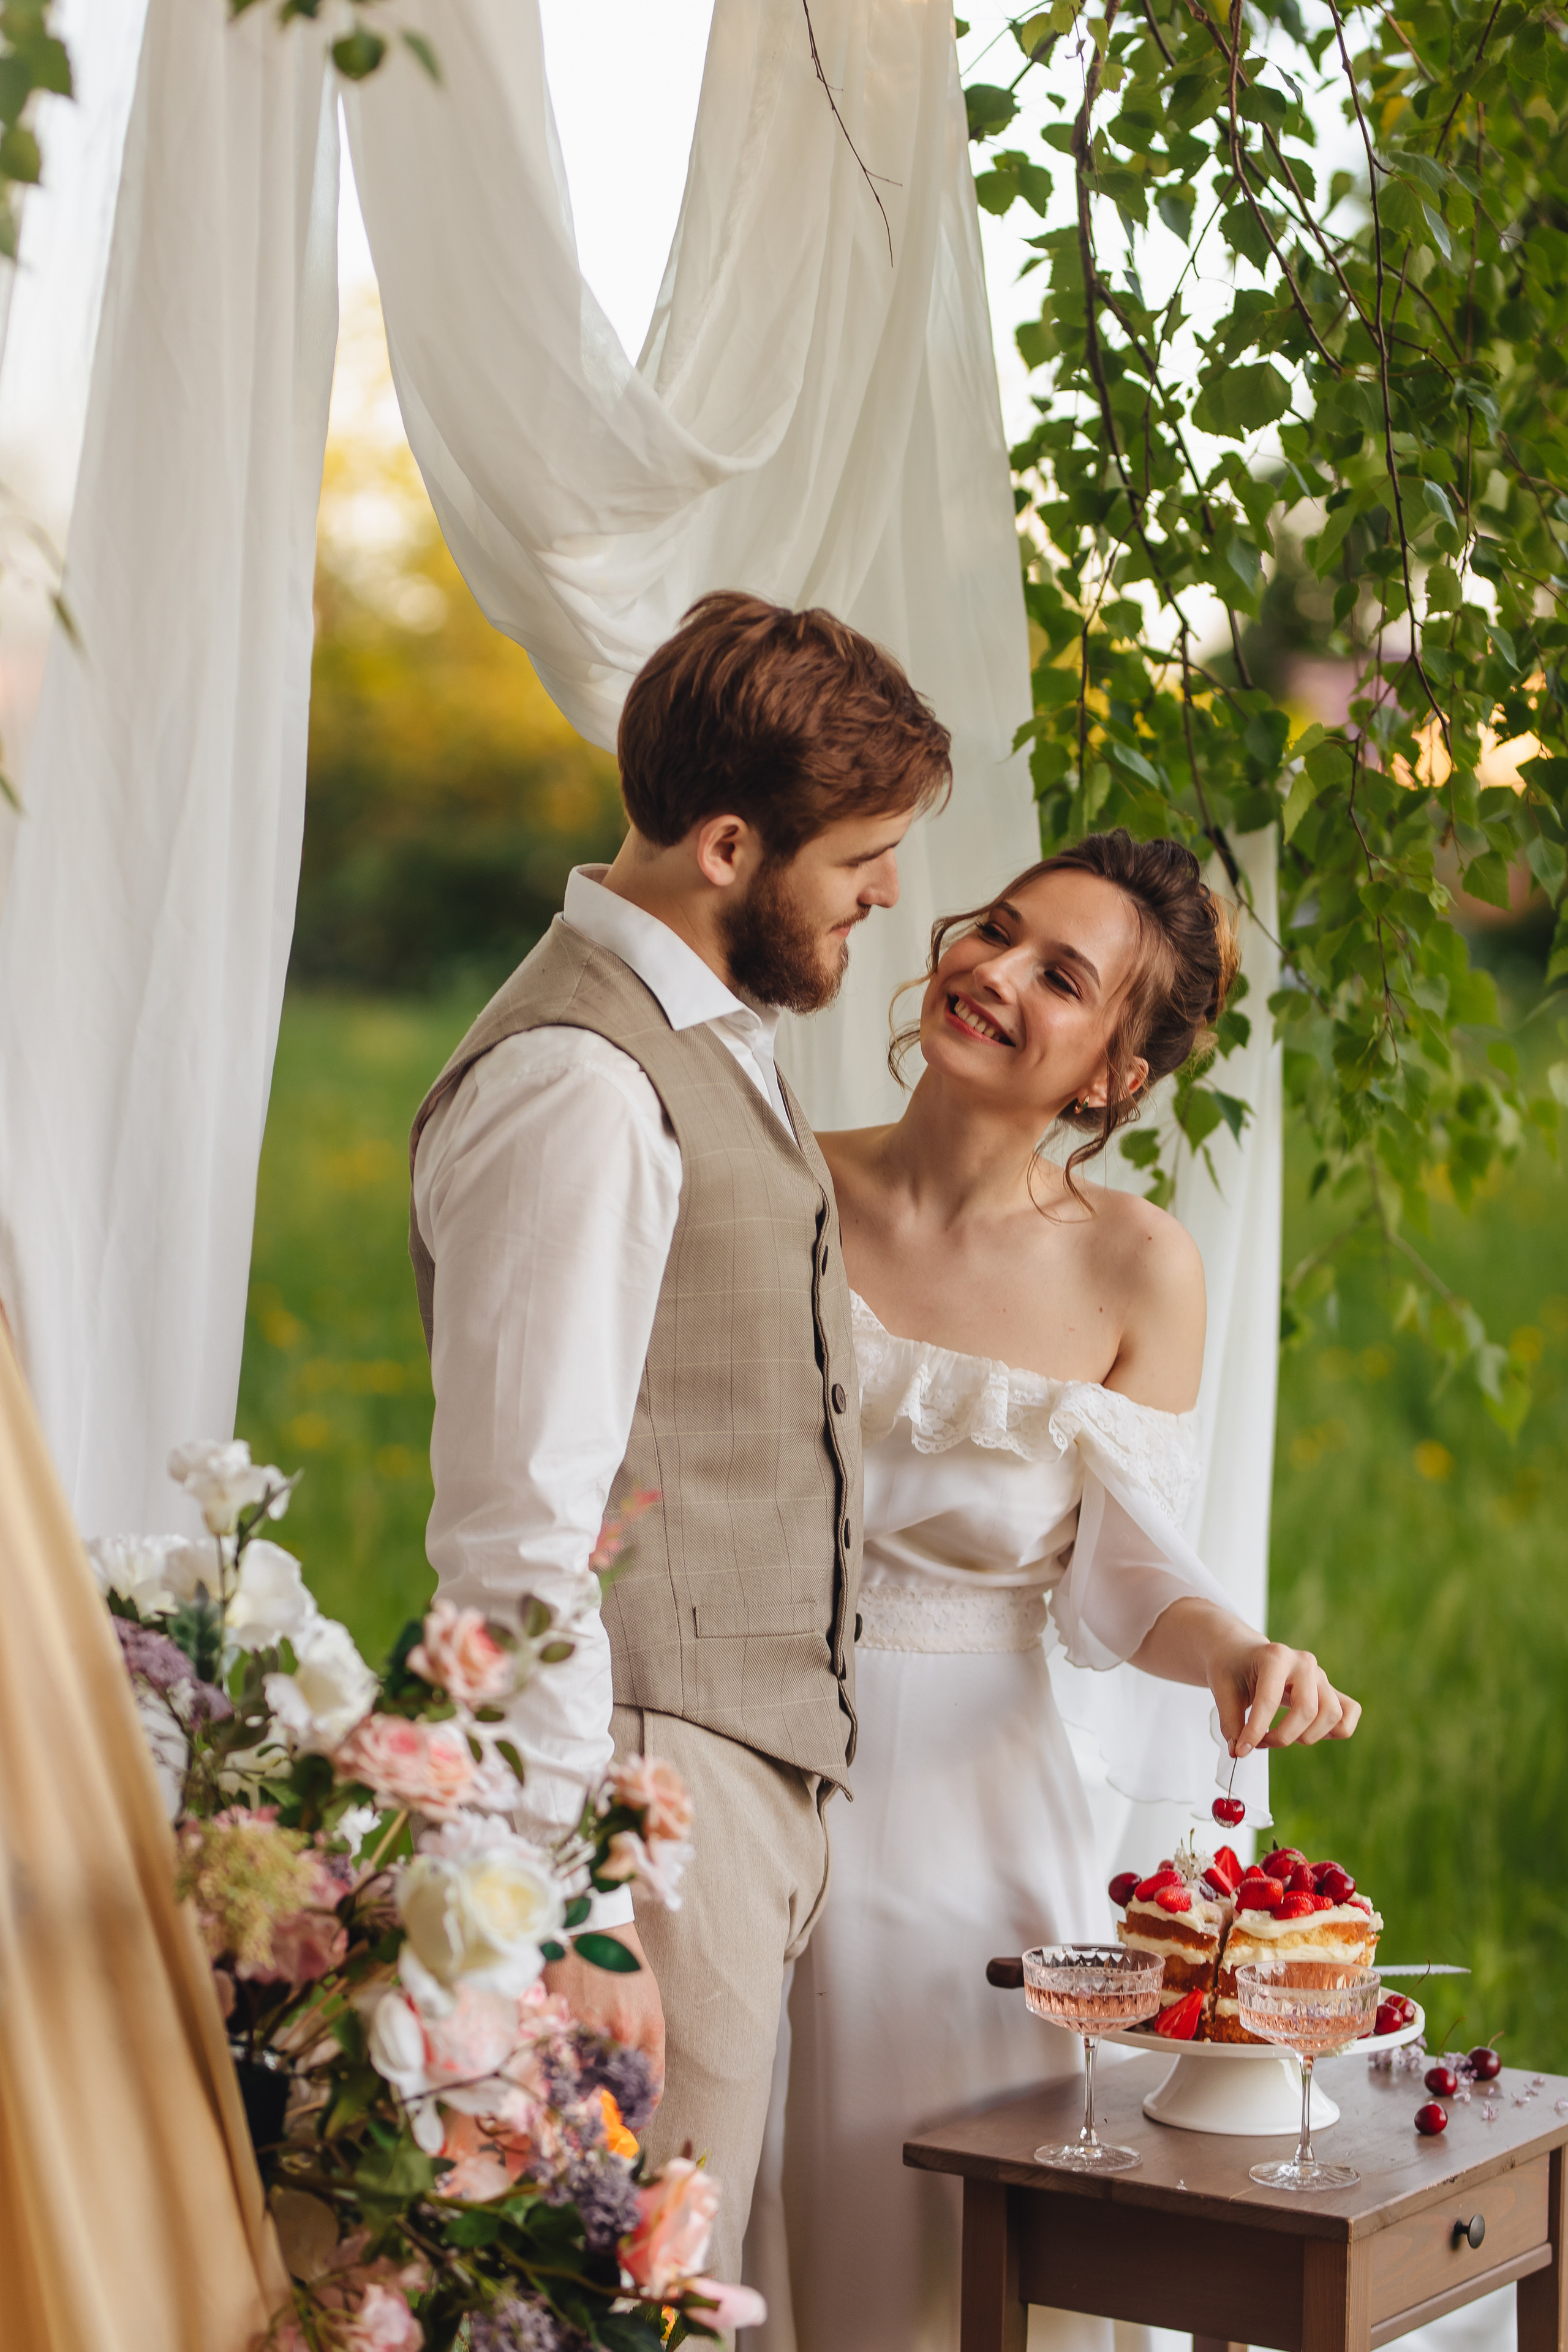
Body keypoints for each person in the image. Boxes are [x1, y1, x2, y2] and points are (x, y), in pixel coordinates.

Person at [747, 831, 1363, 2352]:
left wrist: (1230, 1645)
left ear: (1107, 1078)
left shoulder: (1136, 1270)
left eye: (1058, 975)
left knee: (914, 2230)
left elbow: (1130, 1554)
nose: (992, 972)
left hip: (966, 1804)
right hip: (735, 1746)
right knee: (717, 2188)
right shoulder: (774, 1185)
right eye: (996, 932)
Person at [407, 590, 952, 2289]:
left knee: (700, 2290)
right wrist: (575, 1900)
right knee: (629, 2303)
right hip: (645, 1789)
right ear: (729, 845)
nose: (884, 893)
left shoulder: (713, 1036)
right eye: (861, 855)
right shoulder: (581, 1086)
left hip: (723, 1773)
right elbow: (518, 1527)